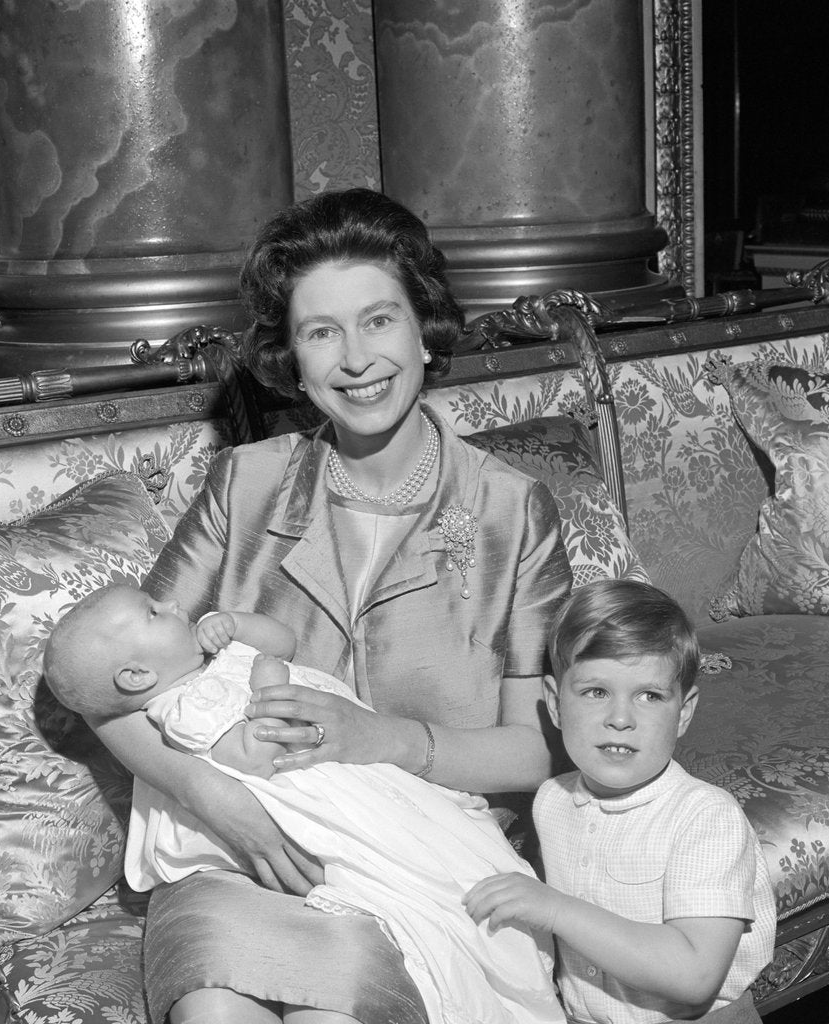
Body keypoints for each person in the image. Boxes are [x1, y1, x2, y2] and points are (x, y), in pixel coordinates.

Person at [83, 187, 574, 1024]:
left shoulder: (509, 510)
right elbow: (110, 690)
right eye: (321, 332)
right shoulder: (245, 485)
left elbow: (533, 751)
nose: (356, 359)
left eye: (379, 320)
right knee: (215, 1014)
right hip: (241, 851)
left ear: (425, 328)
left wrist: (381, 740)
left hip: (418, 849)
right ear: (294, 361)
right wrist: (213, 799)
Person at [43, 583, 565, 1024]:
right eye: (156, 612)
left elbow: (284, 640)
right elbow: (257, 750)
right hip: (281, 823)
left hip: (360, 774)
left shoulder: (206, 655)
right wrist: (260, 697)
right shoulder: (184, 706)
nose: (178, 606)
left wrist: (236, 625)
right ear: (136, 677)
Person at [464, 579, 777, 1024]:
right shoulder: (552, 801)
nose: (620, 719)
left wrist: (555, 909)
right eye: (596, 692)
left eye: (649, 696)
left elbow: (694, 977)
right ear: (555, 704)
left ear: (683, 712)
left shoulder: (706, 818)